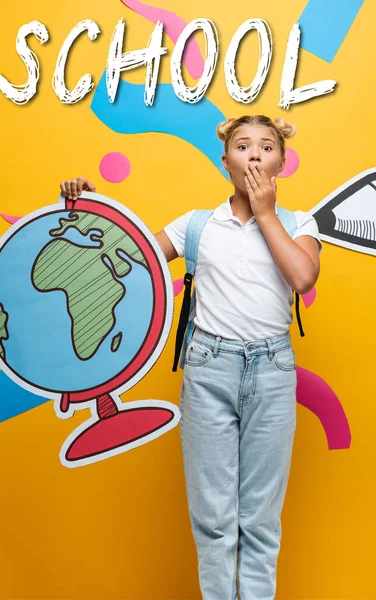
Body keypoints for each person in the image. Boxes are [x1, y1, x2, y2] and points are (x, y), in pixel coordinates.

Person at [60, 114, 321, 600]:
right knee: (215, 520)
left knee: (260, 521)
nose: (255, 155)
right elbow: (128, 257)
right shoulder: (197, 225)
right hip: (208, 370)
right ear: (225, 161)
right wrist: (86, 208)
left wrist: (266, 213)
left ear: (282, 162)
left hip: (274, 372)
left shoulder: (298, 223)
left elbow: (303, 279)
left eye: (267, 147)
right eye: (243, 146)